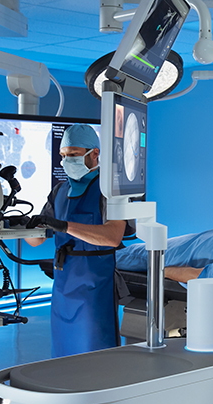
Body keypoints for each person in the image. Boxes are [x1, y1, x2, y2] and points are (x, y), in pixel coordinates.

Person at [25, 124, 132, 358]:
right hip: (63, 285)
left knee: (93, 353)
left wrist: (64, 226)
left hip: (94, 285)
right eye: (63, 155)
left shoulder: (109, 191)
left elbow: (113, 237)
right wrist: (21, 225)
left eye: (73, 154)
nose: (66, 161)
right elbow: (35, 241)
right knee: (63, 352)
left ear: (94, 153)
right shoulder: (59, 191)